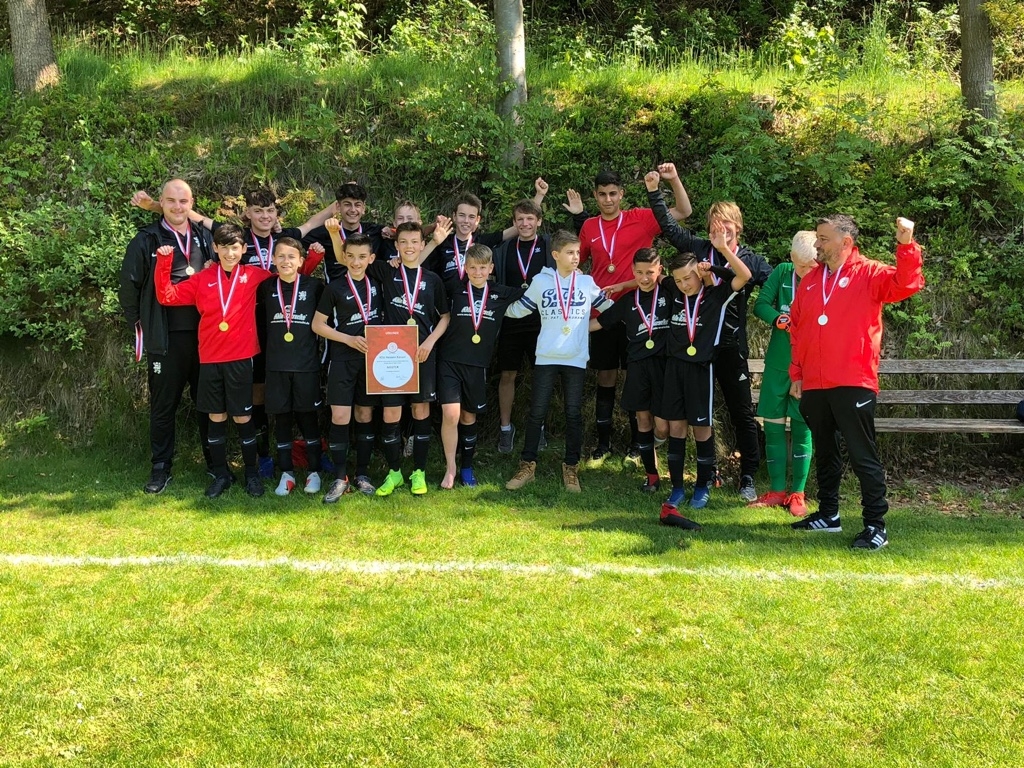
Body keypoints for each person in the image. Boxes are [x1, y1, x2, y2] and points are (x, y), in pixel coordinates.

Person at [131, 186, 333, 477]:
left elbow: (289, 275)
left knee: (274, 398)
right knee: (245, 401)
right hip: (229, 341)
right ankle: (258, 459)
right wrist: (155, 214)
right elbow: (192, 219)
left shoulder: (271, 252)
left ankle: (296, 459)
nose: (264, 216)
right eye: (258, 211)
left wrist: (311, 259)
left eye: (270, 211)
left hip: (271, 330)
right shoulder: (226, 249)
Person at [153, 224, 324, 498]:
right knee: (216, 416)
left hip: (242, 358)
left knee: (244, 416)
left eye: (235, 248)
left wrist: (313, 258)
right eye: (224, 248)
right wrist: (164, 262)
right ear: (215, 248)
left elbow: (289, 276)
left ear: (243, 249)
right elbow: (167, 296)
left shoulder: (254, 276)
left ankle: (252, 475)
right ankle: (221, 474)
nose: (230, 253)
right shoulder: (202, 279)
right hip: (209, 358)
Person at [789, 215, 923, 549]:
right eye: (818, 238)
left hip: (853, 380)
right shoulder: (811, 280)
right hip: (815, 382)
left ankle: (876, 525)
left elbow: (906, 284)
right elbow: (798, 329)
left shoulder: (869, 272)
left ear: (845, 242)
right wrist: (797, 374)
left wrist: (906, 245)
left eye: (823, 239)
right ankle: (829, 515)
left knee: (863, 455)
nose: (817, 244)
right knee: (825, 452)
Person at [646, 174, 772, 502]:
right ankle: (708, 472)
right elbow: (670, 229)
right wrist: (658, 189)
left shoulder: (751, 259)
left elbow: (770, 284)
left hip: (729, 345)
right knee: (700, 412)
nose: (721, 228)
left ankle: (747, 475)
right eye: (715, 223)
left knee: (740, 412)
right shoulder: (700, 249)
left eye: (726, 223)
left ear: (737, 226)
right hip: (697, 346)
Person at [571, 165, 691, 465]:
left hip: (640, 312)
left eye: (613, 193)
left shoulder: (641, 218)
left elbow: (683, 211)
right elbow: (575, 263)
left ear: (622, 194)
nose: (608, 200)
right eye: (602, 194)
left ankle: (638, 445)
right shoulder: (589, 227)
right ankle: (603, 444)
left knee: (637, 378)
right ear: (595, 196)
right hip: (603, 312)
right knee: (606, 376)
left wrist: (673, 179)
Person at [330, 220, 450, 496]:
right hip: (390, 356)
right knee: (390, 413)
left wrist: (430, 342)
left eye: (415, 242)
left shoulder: (433, 279)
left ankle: (418, 472)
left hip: (421, 354)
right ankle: (394, 472)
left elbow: (445, 317)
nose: (409, 247)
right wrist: (334, 234)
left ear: (422, 244)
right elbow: (345, 258)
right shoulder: (386, 270)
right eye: (403, 242)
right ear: (395, 246)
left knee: (421, 411)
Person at [119, 178, 215, 494]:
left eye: (183, 201)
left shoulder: (204, 236)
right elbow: (129, 286)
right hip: (165, 339)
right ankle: (160, 468)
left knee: (208, 403)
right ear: (161, 202)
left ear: (192, 203)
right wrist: (140, 325)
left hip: (205, 338)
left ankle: (215, 464)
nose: (177, 207)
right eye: (171, 201)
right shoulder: (146, 239)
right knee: (163, 406)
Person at [505, 230, 615, 493]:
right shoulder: (540, 282)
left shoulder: (586, 282)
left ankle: (571, 468)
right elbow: (519, 310)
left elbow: (609, 309)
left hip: (576, 358)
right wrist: (493, 308)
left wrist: (590, 326)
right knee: (537, 412)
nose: (576, 257)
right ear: (555, 254)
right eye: (570, 252)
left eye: (577, 252)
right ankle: (527, 466)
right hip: (546, 356)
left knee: (573, 414)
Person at [658, 237, 752, 529]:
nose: (683, 284)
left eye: (688, 278)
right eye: (678, 280)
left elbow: (745, 275)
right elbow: (651, 275)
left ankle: (702, 486)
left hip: (701, 369)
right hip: (674, 368)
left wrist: (714, 267)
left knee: (701, 428)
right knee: (676, 427)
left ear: (699, 274)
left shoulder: (716, 295)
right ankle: (676, 488)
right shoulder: (673, 291)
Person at [437, 244, 525, 488]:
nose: (478, 272)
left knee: (468, 416)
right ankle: (450, 468)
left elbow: (533, 291)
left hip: (477, 365)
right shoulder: (454, 288)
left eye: (483, 268)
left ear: (491, 268)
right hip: (450, 361)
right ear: (465, 268)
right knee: (451, 414)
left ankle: (467, 467)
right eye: (473, 267)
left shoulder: (501, 293)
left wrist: (566, 275)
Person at [589, 246, 671, 493]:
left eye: (650, 272)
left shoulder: (670, 293)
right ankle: (651, 476)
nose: (645, 278)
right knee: (643, 420)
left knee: (663, 426)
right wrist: (567, 327)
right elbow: (600, 322)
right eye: (639, 273)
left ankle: (653, 448)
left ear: (659, 270)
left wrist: (627, 283)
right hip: (637, 367)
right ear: (633, 271)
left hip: (664, 367)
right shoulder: (628, 301)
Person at [749, 231, 819, 517]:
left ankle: (798, 493)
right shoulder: (782, 272)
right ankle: (777, 491)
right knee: (773, 425)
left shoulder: (824, 277)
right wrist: (777, 318)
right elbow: (760, 305)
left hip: (809, 365)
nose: (806, 271)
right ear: (791, 258)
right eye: (801, 265)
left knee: (802, 426)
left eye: (811, 265)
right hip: (778, 364)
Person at [311, 232, 384, 502]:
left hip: (372, 360)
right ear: (343, 257)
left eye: (362, 256)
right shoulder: (334, 288)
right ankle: (340, 477)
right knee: (340, 416)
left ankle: (362, 474)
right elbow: (317, 325)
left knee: (364, 414)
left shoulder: (379, 284)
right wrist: (348, 339)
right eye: (350, 256)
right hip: (342, 359)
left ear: (371, 258)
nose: (356, 262)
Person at [256, 237, 326, 497]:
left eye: (291, 257)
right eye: (281, 256)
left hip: (306, 366)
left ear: (301, 261)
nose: (286, 261)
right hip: (276, 366)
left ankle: (314, 471)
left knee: (308, 418)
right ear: (274, 259)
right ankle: (286, 473)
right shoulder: (265, 287)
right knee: (282, 419)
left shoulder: (315, 287)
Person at [491, 199, 554, 453]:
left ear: (539, 221)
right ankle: (506, 429)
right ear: (514, 222)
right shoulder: (504, 249)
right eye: (520, 219)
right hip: (511, 321)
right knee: (508, 375)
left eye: (530, 219)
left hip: (542, 322)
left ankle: (538, 427)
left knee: (541, 376)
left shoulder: (550, 246)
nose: (525, 223)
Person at [428, 180, 548, 283]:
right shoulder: (442, 242)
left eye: (471, 217)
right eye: (461, 215)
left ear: (477, 220)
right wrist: (433, 228)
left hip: (477, 300)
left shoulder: (483, 241)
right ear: (454, 216)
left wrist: (539, 196)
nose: (466, 221)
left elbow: (521, 226)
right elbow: (419, 260)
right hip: (449, 301)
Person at [304, 182, 386, 283]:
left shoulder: (375, 231)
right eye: (347, 204)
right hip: (335, 291)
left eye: (357, 205)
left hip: (369, 291)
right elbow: (295, 243)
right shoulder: (325, 232)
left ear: (363, 208)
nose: (353, 210)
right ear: (338, 206)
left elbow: (401, 235)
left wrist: (392, 233)